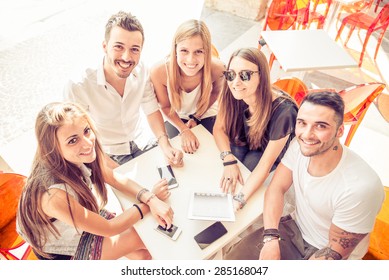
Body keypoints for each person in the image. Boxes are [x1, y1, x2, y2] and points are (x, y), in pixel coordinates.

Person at [225, 91, 385, 260]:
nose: (307, 134)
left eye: (320, 126)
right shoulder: (298, 146)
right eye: (302, 123)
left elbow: (334, 253)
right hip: (294, 230)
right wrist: (271, 238)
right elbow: (277, 188)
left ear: (340, 131)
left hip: (327, 251)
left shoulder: (360, 188)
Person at [17, 102, 174, 260]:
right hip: (60, 250)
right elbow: (109, 228)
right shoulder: (54, 197)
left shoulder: (81, 152)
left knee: (144, 252)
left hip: (76, 219)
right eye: (72, 140)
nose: (87, 143)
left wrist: (149, 197)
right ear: (53, 148)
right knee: (144, 236)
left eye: (86, 131)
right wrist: (151, 202)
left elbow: (112, 177)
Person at [63, 11, 183, 167]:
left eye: (134, 49)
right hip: (107, 153)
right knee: (137, 189)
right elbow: (77, 139)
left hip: (142, 142)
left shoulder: (142, 70)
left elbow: (151, 110)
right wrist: (113, 171)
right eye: (119, 47)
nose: (126, 57)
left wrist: (165, 144)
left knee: (173, 179)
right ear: (105, 46)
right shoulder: (79, 85)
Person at [213, 47, 298, 211]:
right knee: (227, 166)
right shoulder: (232, 92)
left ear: (262, 75)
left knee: (248, 175)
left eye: (245, 75)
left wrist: (239, 201)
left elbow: (266, 163)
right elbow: (219, 129)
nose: (235, 82)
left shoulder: (284, 111)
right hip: (248, 144)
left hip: (274, 160)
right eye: (231, 74)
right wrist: (228, 159)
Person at [150, 19, 225, 154]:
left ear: (206, 52)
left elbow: (215, 93)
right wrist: (184, 130)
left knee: (212, 151)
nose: (190, 60)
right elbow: (165, 106)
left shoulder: (218, 68)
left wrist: (197, 116)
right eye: (184, 50)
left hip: (206, 112)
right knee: (175, 153)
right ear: (175, 50)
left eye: (198, 52)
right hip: (175, 115)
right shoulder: (159, 71)